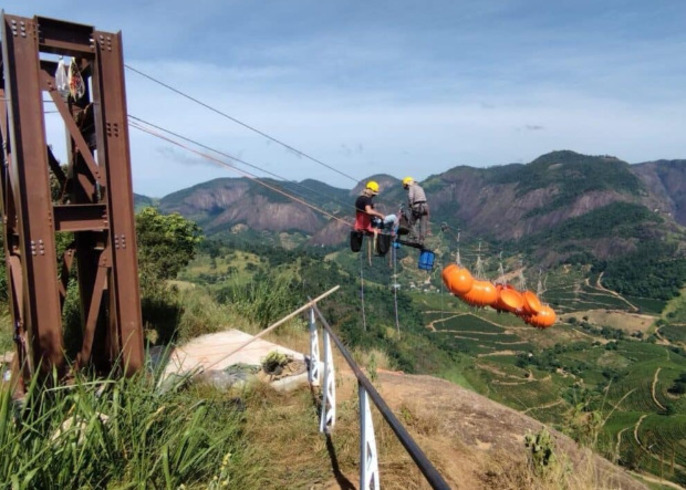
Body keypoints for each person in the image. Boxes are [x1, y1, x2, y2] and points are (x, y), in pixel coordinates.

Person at [402, 176, 429, 245]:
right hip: (425, 207)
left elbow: (411, 197)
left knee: (411, 223)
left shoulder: (412, 187)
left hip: (417, 207)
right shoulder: (420, 187)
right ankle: (421, 241)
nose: (407, 188)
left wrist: (410, 205)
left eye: (406, 186)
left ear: (408, 184)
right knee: (423, 225)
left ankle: (416, 238)